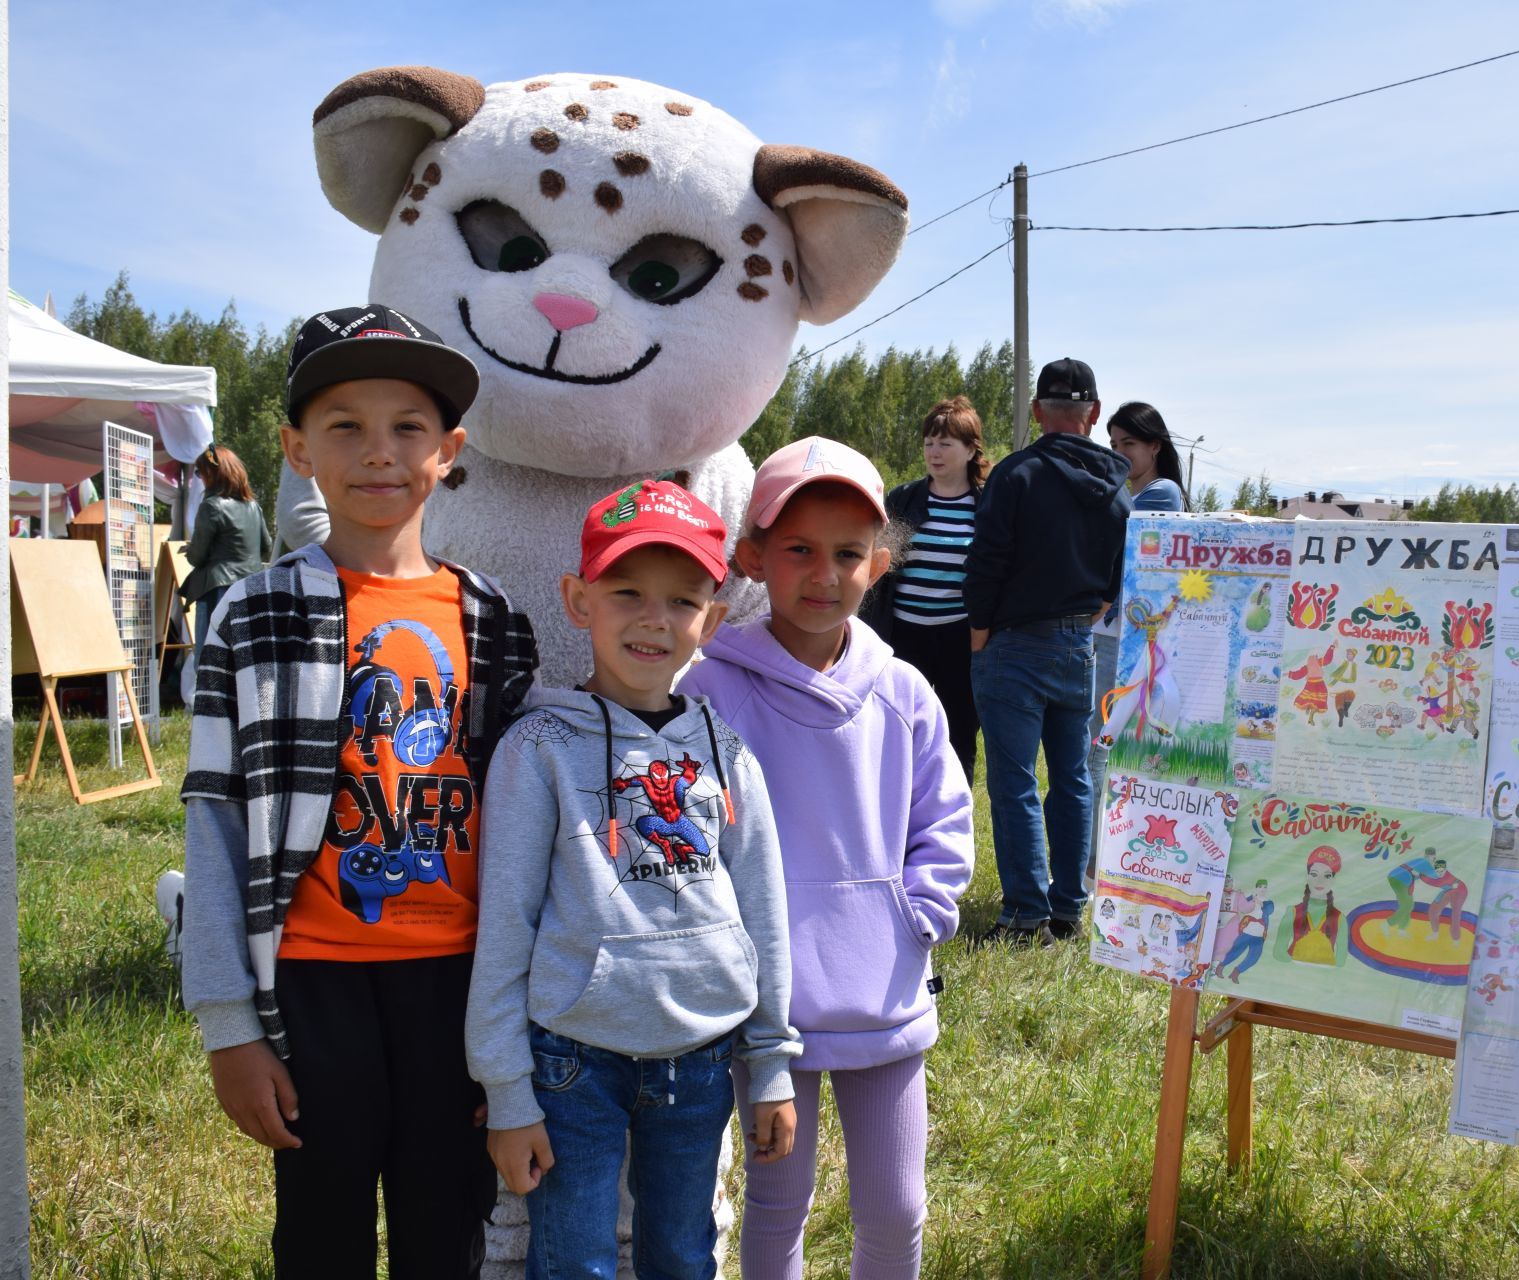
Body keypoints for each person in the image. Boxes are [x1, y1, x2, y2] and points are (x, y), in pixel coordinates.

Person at [178, 303, 540, 1279]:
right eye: (345, 425)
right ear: (296, 446)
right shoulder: (254, 616)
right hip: (311, 978)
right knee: (321, 1235)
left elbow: (529, 834)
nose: (378, 452)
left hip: (457, 987)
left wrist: (517, 1025)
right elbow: (214, 819)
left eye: (407, 426)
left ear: (449, 448)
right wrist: (228, 1025)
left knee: (447, 1232)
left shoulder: (495, 620)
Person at [465, 479, 799, 1279]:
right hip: (569, 1064)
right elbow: (504, 925)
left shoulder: (728, 750)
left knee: (684, 1258)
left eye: (682, 601)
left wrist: (774, 1061)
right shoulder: (537, 747)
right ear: (579, 600)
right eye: (626, 593)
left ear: (712, 622)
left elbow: (762, 905)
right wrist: (508, 1094)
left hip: (701, 1058)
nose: (655, 619)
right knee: (572, 1261)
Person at [680, 435, 974, 1280]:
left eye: (847, 553)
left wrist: (919, 911)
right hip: (768, 1007)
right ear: (750, 559)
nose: (823, 573)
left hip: (882, 990)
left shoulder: (904, 690)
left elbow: (946, 815)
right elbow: (688, 833)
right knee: (778, 1202)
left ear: (878, 566)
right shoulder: (711, 690)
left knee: (898, 1206)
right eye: (798, 550)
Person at [966, 357, 1132, 944]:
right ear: (1093, 412)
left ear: (1037, 412)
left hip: (1013, 642)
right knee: (1073, 778)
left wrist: (979, 633)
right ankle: (1068, 908)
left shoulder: (1016, 475)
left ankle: (1024, 913)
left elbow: (986, 561)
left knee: (1013, 780)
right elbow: (1122, 569)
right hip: (1078, 643)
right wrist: (1093, 611)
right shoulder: (1119, 488)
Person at [1087, 401, 1187, 878]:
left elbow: (1109, 547)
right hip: (1120, 637)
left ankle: (1088, 865)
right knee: (1100, 747)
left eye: (1129, 443)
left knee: (1096, 749)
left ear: (1155, 446)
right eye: (1113, 445)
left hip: (1122, 640)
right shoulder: (1144, 492)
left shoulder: (1159, 494)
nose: (1120, 454)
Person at [867, 396, 990, 782]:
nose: (933, 453)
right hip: (903, 637)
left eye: (945, 444)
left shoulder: (987, 504)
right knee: (896, 732)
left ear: (971, 450)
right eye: (928, 443)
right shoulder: (904, 499)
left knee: (958, 738)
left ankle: (953, 822)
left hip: (961, 640)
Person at [180, 445, 271, 656]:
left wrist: (191, 549)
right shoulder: (253, 507)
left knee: (209, 659)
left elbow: (197, 557)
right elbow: (265, 547)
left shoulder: (212, 506)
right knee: (245, 658)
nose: (200, 478)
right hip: (252, 587)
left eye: (199, 472)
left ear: (210, 473)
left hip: (218, 590)